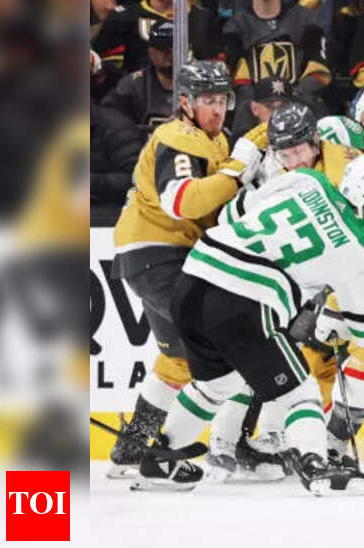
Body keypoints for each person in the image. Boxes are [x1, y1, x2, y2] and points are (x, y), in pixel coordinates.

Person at [136, 158, 364, 495]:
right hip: (243, 301)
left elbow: (232, 214)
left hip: (193, 280)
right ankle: (317, 467)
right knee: (300, 391)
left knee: (216, 385)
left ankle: (159, 462)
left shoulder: (307, 180)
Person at [106, 61, 264, 478]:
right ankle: (214, 447)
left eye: (221, 100)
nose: (217, 109)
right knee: (225, 338)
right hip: (159, 253)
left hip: (162, 255)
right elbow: (183, 202)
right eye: (207, 101)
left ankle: (131, 449)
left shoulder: (217, 139)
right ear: (185, 103)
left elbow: (216, 209)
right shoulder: (179, 136)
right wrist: (235, 170)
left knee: (177, 358)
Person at [223, 0, 332, 136]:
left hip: (299, 101)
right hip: (255, 109)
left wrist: (292, 98)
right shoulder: (235, 27)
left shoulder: (307, 21)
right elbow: (240, 80)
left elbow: (319, 73)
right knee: (245, 109)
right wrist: (263, 106)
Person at [93, 0, 221, 92]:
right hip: (134, 102)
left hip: (191, 101)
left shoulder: (204, 19)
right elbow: (107, 71)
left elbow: (213, 71)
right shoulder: (124, 17)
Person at [101, 20, 175, 129]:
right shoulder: (133, 85)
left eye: (173, 47)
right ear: (150, 51)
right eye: (162, 48)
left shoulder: (197, 83)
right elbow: (110, 119)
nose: (169, 53)